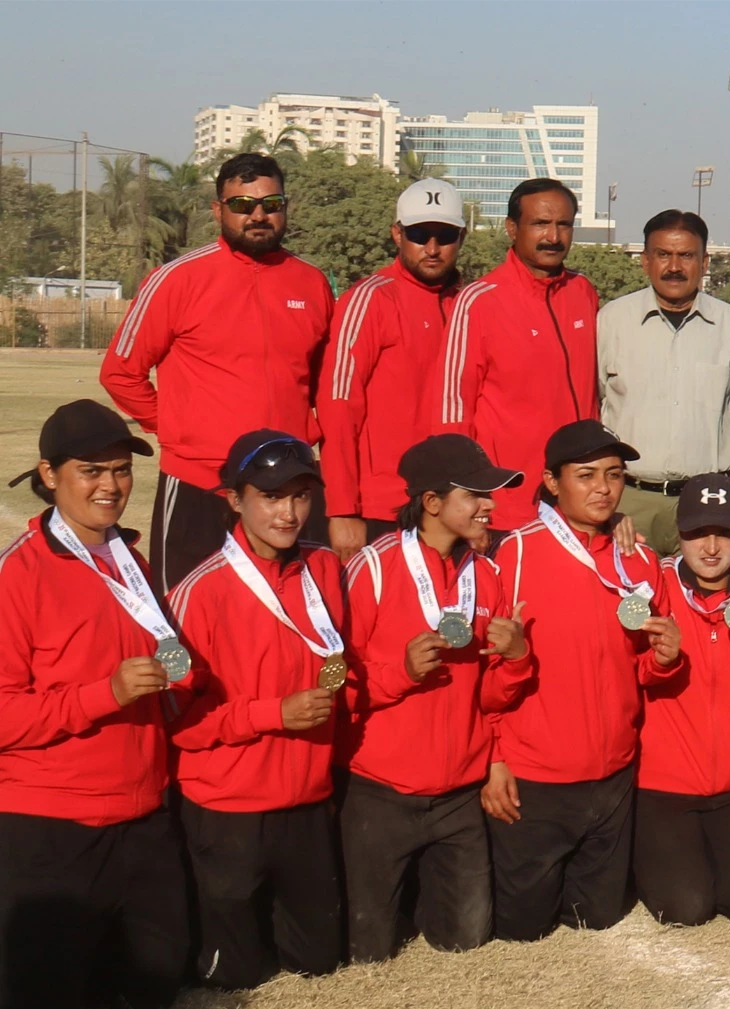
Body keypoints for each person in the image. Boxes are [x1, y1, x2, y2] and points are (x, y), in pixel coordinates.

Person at [0, 400, 188, 1007]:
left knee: (151, 984)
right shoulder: (16, 575)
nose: (111, 486)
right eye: (91, 470)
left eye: (120, 470)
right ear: (49, 475)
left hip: (143, 814)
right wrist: (102, 695)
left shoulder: (130, 560)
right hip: (53, 827)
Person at [479, 420, 680, 941]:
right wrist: (494, 758)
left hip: (612, 775)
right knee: (522, 929)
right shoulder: (512, 554)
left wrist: (664, 659)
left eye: (614, 475)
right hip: (536, 778)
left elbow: (640, 666)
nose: (603, 488)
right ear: (551, 482)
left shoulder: (637, 557)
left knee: (599, 918)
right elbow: (484, 672)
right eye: (586, 475)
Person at [99, 152, 334, 593]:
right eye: (242, 205)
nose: (258, 215)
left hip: (286, 490)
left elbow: (322, 385)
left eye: (271, 204)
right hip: (198, 483)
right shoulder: (177, 279)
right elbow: (120, 372)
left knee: (291, 618)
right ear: (218, 210)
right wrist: (178, 428)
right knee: (187, 616)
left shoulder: (311, 283)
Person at [166, 432, 346, 987]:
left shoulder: (325, 569)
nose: (288, 512)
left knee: (319, 962)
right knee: (234, 977)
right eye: (270, 496)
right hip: (229, 808)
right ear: (234, 499)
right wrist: (273, 715)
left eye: (299, 496)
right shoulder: (199, 592)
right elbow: (179, 726)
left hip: (307, 800)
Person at [338, 434, 526, 962]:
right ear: (432, 502)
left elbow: (492, 695)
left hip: (458, 798)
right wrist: (398, 672)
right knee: (368, 951)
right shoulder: (371, 569)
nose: (490, 505)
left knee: (466, 940)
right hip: (379, 792)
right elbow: (338, 684)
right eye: (476, 495)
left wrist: (517, 659)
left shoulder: (487, 576)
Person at [634, 474, 730, 926]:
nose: (712, 546)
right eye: (698, 533)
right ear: (679, 532)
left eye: (725, 533)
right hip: (665, 787)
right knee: (685, 909)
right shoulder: (652, 589)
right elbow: (628, 678)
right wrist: (662, 662)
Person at [432, 178, 603, 530]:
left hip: (575, 507)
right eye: (540, 223)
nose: (553, 237)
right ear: (512, 228)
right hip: (505, 508)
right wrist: (468, 506)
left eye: (564, 225)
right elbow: (452, 411)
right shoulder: (479, 301)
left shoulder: (583, 292)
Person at [319, 178, 469, 556]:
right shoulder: (370, 299)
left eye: (445, 235)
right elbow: (338, 408)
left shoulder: (469, 304)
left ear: (462, 238)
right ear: (397, 234)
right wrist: (342, 508)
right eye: (420, 234)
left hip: (448, 507)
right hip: (381, 507)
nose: (432, 249)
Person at [599, 210, 730, 550]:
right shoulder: (612, 321)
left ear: (705, 262)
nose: (674, 266)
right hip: (628, 503)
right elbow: (592, 409)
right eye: (663, 255)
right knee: (628, 601)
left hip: (707, 502)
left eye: (686, 255)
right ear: (645, 261)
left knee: (700, 602)